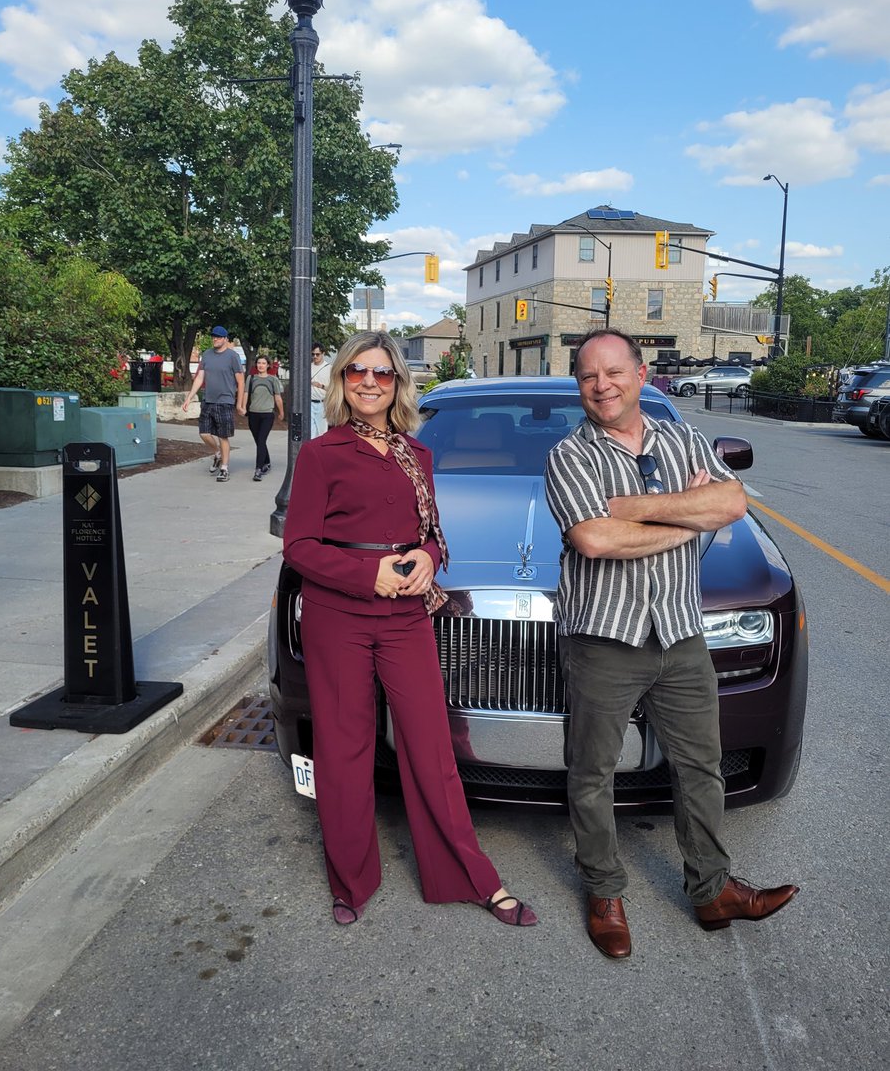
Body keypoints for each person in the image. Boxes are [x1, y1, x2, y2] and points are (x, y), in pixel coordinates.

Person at [544, 328, 798, 959]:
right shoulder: (569, 456)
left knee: (699, 767)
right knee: (592, 773)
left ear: (641, 372)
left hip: (681, 632)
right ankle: (604, 892)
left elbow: (732, 501)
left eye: (613, 372)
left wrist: (636, 508)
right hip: (605, 635)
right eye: (588, 377)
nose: (601, 386)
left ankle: (711, 890)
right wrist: (686, 515)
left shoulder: (682, 436)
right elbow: (595, 542)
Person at [283, 331, 538, 928]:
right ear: (341, 382)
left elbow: (431, 529)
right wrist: (365, 575)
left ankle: (467, 877)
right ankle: (351, 881)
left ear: (397, 383)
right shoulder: (321, 454)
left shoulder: (416, 455)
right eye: (356, 373)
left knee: (432, 746)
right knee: (343, 749)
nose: (369, 383)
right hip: (340, 613)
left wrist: (427, 555)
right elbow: (298, 546)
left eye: (382, 373)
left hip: (406, 614)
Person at [181, 325, 244, 483]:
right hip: (208, 400)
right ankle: (217, 454)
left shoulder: (232, 357)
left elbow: (241, 381)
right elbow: (200, 378)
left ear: (225, 339)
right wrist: (189, 397)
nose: (214, 339)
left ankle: (224, 468)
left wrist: (240, 403)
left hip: (225, 401)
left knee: (223, 436)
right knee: (203, 433)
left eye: (218, 337)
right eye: (213, 336)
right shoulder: (207, 355)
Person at [239, 355, 284, 482]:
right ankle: (267, 462)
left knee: (261, 439)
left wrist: (281, 412)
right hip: (253, 414)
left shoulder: (272, 379)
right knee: (259, 442)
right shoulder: (251, 378)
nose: (261, 365)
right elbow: (246, 393)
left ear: (268, 365)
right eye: (259, 363)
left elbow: (277, 397)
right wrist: (243, 407)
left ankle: (258, 469)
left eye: (263, 363)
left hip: (267, 415)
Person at [310, 342, 331, 436]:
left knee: (322, 432)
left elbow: (334, 389)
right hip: (309, 403)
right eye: (313, 354)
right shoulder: (308, 367)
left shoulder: (329, 368)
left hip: (322, 404)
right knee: (311, 432)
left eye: (317, 354)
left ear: (323, 354)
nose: (315, 356)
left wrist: (321, 386)